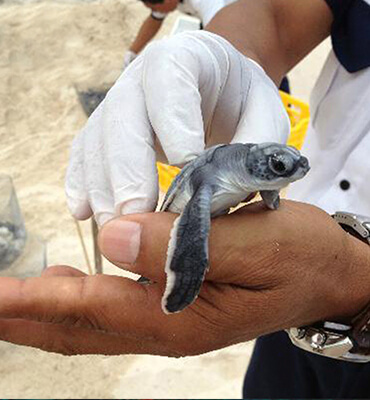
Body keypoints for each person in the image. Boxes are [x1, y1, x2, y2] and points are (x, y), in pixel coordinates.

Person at [0, 0, 369, 397]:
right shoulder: (229, 165)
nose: (294, 172)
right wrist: (228, 55)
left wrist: (351, 279)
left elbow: (210, 219)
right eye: (282, 168)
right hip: (287, 292)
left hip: (312, 275)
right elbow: (280, 16)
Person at [122, 0, 238, 69]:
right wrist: (132, 52)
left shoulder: (206, 3)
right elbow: (155, 19)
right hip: (215, 20)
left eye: (153, 7)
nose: (154, 10)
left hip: (239, 17)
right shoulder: (165, 3)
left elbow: (220, 35)